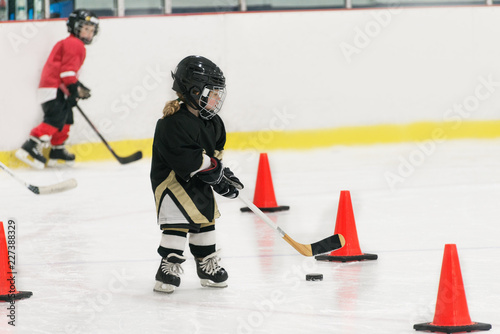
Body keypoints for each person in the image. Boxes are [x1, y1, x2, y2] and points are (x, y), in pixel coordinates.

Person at [150, 55, 244, 294]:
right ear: (193, 91)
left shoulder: (214, 123)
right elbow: (188, 159)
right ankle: (168, 266)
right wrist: (216, 173)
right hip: (173, 181)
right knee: (178, 221)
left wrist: (225, 176)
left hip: (198, 180)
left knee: (206, 221)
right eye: (212, 93)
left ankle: (206, 265)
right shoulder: (171, 123)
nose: (217, 98)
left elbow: (215, 158)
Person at [15, 9, 99, 169]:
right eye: (86, 28)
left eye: (92, 30)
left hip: (57, 89)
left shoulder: (71, 43)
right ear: (75, 27)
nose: (89, 33)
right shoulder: (74, 44)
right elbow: (67, 72)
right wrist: (74, 89)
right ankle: (30, 145)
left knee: (66, 118)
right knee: (55, 119)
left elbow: (67, 72)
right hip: (53, 90)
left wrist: (77, 87)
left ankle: (57, 150)